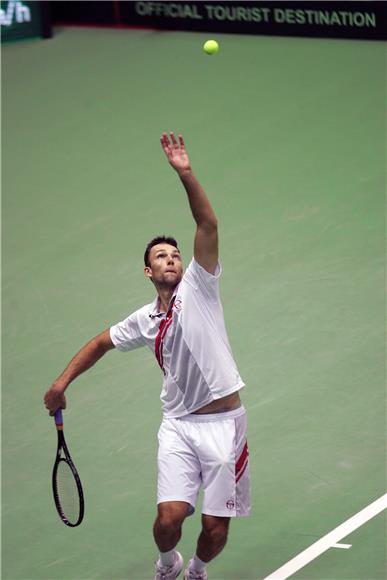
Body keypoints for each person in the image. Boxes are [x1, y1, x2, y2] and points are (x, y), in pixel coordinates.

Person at [44, 132, 251, 580]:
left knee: (215, 531)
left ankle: (196, 570)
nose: (172, 259)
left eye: (176, 254)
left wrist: (186, 174)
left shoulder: (200, 286)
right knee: (168, 521)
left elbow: (208, 226)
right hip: (178, 426)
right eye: (162, 256)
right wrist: (62, 383)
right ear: (148, 270)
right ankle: (167, 564)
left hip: (223, 426)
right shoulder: (143, 319)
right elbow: (101, 342)